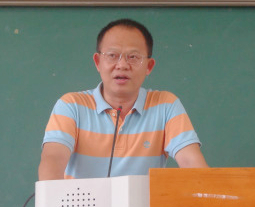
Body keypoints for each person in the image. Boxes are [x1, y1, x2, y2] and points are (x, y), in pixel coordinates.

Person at [38, 18, 207, 181]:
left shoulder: (166, 105)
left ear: (149, 66)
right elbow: (53, 159)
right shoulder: (71, 105)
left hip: (143, 202)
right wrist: (52, 197)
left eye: (133, 57)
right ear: (98, 62)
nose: (122, 65)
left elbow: (191, 163)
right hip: (82, 202)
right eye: (112, 55)